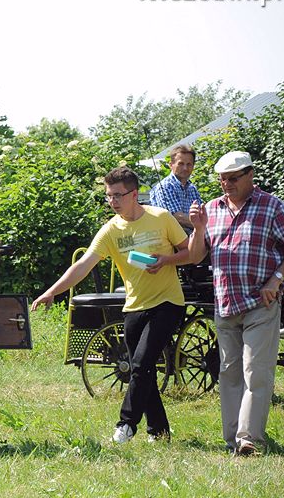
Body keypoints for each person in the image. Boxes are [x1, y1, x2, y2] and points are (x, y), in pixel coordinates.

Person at [31, 167, 190, 443]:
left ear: (135, 194)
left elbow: (190, 252)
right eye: (108, 196)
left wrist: (166, 261)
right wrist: (52, 292)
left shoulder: (161, 218)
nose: (113, 201)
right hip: (134, 307)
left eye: (118, 195)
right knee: (145, 369)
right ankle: (160, 431)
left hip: (167, 302)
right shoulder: (110, 230)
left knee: (139, 365)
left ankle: (126, 425)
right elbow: (83, 265)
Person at [188, 151, 284, 456]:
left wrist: (277, 278)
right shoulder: (211, 209)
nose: (226, 184)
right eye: (222, 179)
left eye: (233, 178)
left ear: (250, 175)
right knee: (229, 373)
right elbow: (196, 255)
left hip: (259, 302)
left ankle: (249, 439)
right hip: (225, 304)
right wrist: (198, 228)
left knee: (256, 371)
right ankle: (232, 441)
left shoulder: (271, 205)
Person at [149, 144, 202, 231]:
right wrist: (203, 225)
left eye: (189, 164)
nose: (185, 168)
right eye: (180, 164)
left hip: (194, 236)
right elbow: (177, 218)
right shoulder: (165, 186)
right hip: (173, 241)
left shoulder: (192, 189)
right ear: (171, 165)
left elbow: (200, 214)